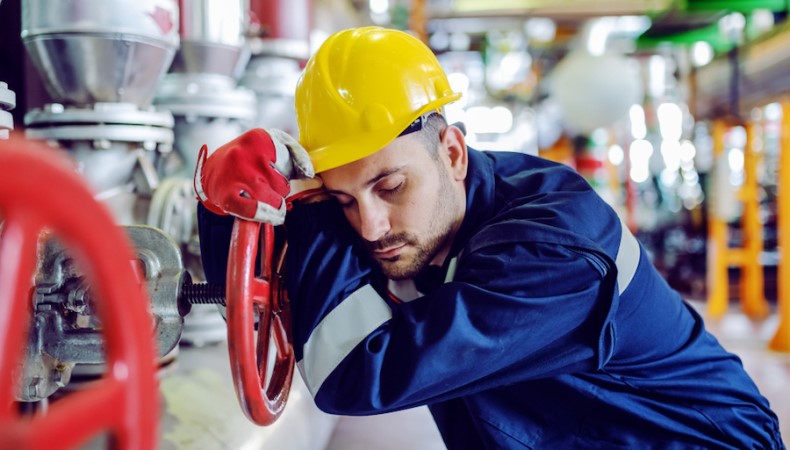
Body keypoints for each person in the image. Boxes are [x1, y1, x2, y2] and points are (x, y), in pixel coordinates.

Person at [194, 26, 784, 449]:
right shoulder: (420, 223)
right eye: (344, 200)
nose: (370, 226)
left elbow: (352, 374)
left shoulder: (550, 251)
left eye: (390, 185)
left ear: (452, 152)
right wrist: (226, 205)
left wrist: (315, 211)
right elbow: (264, 306)